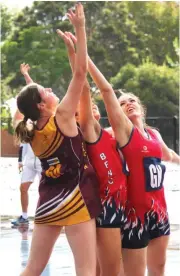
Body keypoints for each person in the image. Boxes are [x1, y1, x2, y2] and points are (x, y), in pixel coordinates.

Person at [13, 4, 101, 276]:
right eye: (45, 90)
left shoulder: (32, 131)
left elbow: (34, 100)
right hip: (75, 200)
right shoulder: (62, 116)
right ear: (40, 105)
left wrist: (71, 51)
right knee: (85, 270)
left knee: (33, 269)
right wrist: (80, 29)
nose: (50, 89)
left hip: (48, 202)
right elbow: (80, 75)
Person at [84, 52, 180, 276]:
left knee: (159, 269)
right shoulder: (124, 133)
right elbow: (107, 91)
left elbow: (169, 155)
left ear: (141, 107)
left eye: (132, 101)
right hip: (135, 217)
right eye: (122, 103)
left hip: (160, 213)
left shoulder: (154, 134)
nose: (128, 104)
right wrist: (84, 57)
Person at [58, 31, 128, 276]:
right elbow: (84, 88)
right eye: (85, 110)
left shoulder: (113, 133)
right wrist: (72, 52)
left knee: (104, 270)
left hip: (119, 204)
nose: (91, 108)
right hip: (105, 205)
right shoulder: (89, 130)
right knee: (111, 271)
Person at [11, 142, 41, 226]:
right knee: (23, 188)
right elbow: (22, 146)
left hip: (42, 163)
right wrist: (20, 161)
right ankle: (24, 217)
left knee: (44, 190)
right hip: (29, 164)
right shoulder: (26, 129)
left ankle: (45, 215)